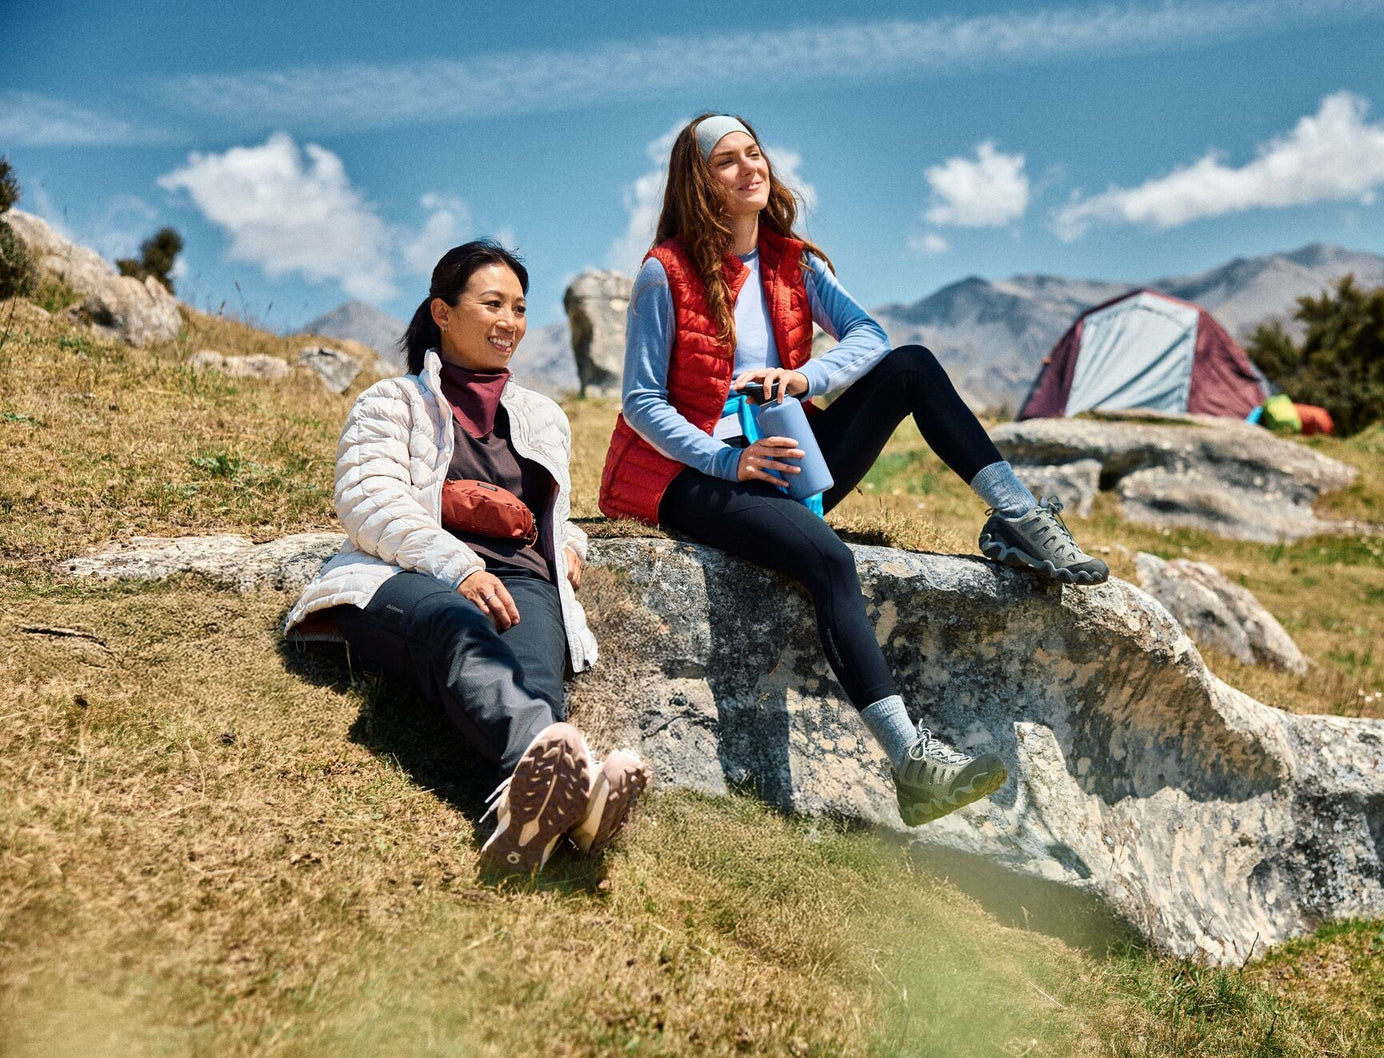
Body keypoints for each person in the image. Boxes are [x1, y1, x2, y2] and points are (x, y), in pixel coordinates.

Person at [598, 114, 1108, 827]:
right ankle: (914, 764)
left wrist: (805, 379)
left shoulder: (794, 262)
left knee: (911, 366)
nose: (750, 167)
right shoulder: (666, 270)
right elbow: (642, 400)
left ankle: (1018, 517)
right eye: (726, 161)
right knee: (829, 560)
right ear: (698, 182)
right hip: (689, 474)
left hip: (786, 450)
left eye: (755, 153)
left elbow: (870, 335)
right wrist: (730, 460)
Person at [284, 240, 647, 874]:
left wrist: (569, 544)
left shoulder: (544, 415)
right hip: (406, 577)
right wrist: (462, 569)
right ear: (443, 312)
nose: (510, 322)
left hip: (524, 580)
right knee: (454, 629)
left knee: (536, 682)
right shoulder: (391, 402)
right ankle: (576, 801)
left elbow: (555, 513)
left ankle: (536, 817)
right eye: (492, 304)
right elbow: (368, 500)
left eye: (520, 308)